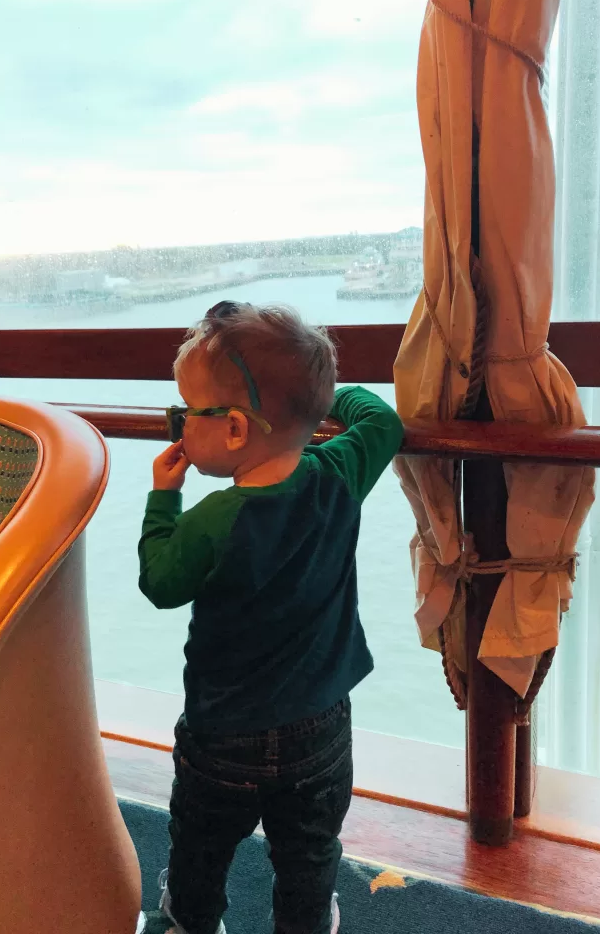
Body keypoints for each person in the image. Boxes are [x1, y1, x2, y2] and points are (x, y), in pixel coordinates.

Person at [135, 301, 403, 934]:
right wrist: (313, 400)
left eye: (183, 413)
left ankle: (190, 919)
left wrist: (162, 500)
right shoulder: (338, 474)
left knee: (201, 842)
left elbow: (160, 584)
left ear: (232, 429)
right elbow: (381, 420)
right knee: (309, 852)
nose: (177, 428)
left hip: (222, 735)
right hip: (322, 726)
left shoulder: (213, 518)